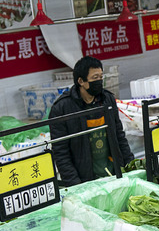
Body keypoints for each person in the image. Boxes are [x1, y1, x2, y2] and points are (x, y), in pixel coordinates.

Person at [49, 56, 134, 186]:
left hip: (113, 173)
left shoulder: (107, 99)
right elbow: (61, 153)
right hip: (85, 180)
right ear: (81, 81)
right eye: (95, 78)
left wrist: (131, 166)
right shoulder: (62, 108)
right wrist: (76, 185)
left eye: (101, 77)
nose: (99, 81)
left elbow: (119, 135)